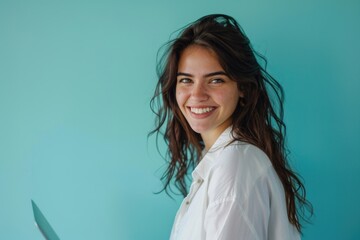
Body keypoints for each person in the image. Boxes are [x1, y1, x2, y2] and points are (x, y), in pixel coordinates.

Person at [150, 14, 312, 240]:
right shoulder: (225, 161)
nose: (197, 95)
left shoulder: (235, 165)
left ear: (243, 87)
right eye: (186, 80)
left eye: (216, 80)